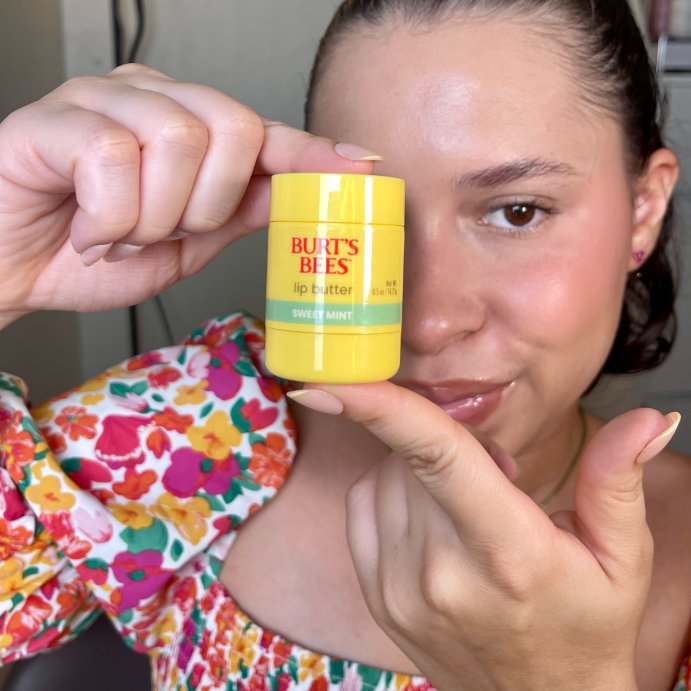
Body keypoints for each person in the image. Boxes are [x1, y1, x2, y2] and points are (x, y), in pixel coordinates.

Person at [0, 0, 689, 689]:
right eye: (367, 220)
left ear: (643, 211)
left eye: (517, 211)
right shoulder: (201, 423)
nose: (425, 323)